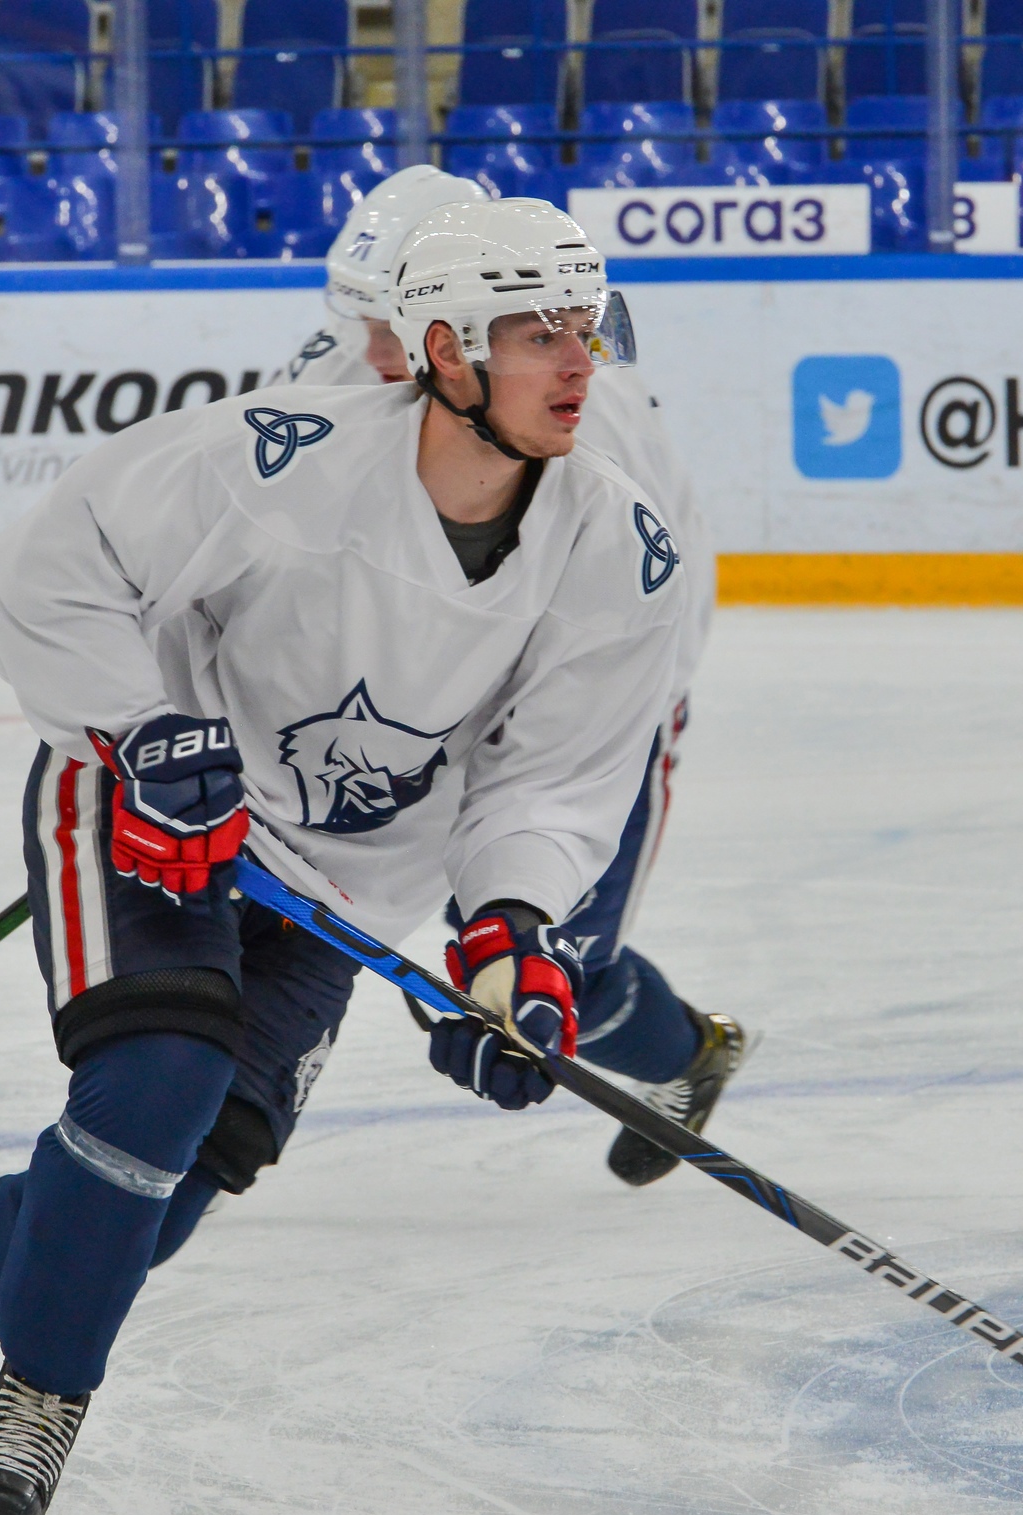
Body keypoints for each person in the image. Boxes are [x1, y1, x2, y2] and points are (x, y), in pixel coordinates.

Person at [0, 199, 691, 1515]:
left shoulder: (621, 547)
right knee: (154, 1084)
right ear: (447, 352)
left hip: (345, 886)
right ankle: (44, 1397)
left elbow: (552, 780)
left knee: (163, 1199)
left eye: (585, 326)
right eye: (538, 334)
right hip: (155, 811)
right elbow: (51, 568)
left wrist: (511, 938)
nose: (580, 362)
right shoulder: (284, 454)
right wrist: (139, 730)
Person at [270, 165, 743, 1189]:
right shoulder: (341, 365)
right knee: (300, 909)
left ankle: (687, 1054)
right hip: (403, 700)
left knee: (554, 962)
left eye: (391, 327)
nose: (376, 352)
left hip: (578, 709)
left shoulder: (576, 413)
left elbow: (635, 635)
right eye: (367, 322)